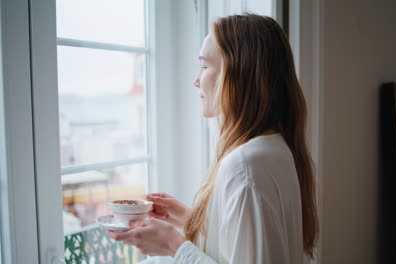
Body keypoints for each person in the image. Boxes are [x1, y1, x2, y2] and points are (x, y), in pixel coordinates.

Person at [107, 13, 319, 263]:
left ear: (237, 76)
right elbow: (244, 246)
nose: (196, 80)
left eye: (205, 65)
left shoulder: (246, 165)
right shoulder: (275, 148)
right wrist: (191, 219)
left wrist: (173, 245)